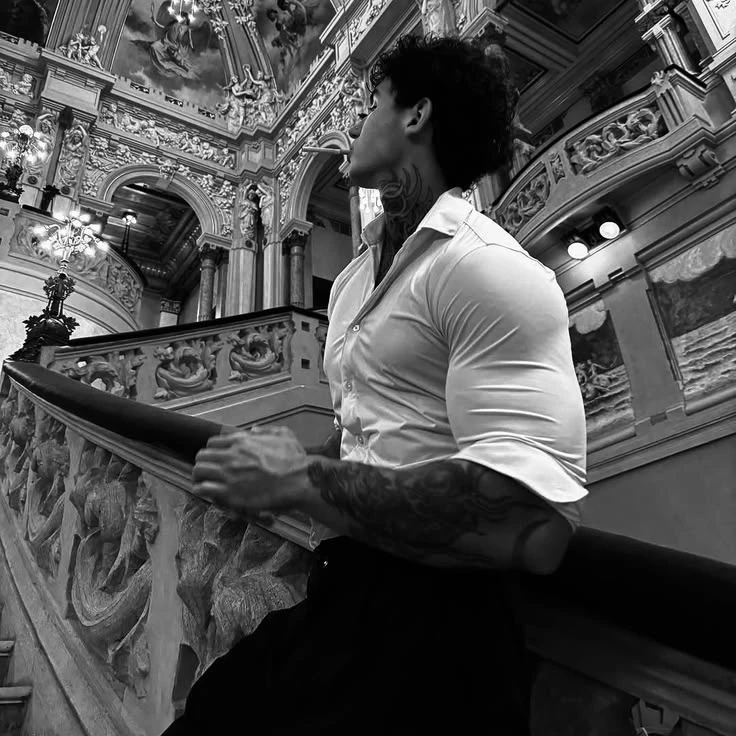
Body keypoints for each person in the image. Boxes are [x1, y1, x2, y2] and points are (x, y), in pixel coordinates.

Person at [164, 34, 587, 735]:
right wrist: (283, 468)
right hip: (345, 591)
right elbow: (371, 432)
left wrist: (301, 479)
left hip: (443, 641)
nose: (357, 123)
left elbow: (529, 525)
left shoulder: (488, 269)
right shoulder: (354, 281)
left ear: (415, 115)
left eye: (370, 106)